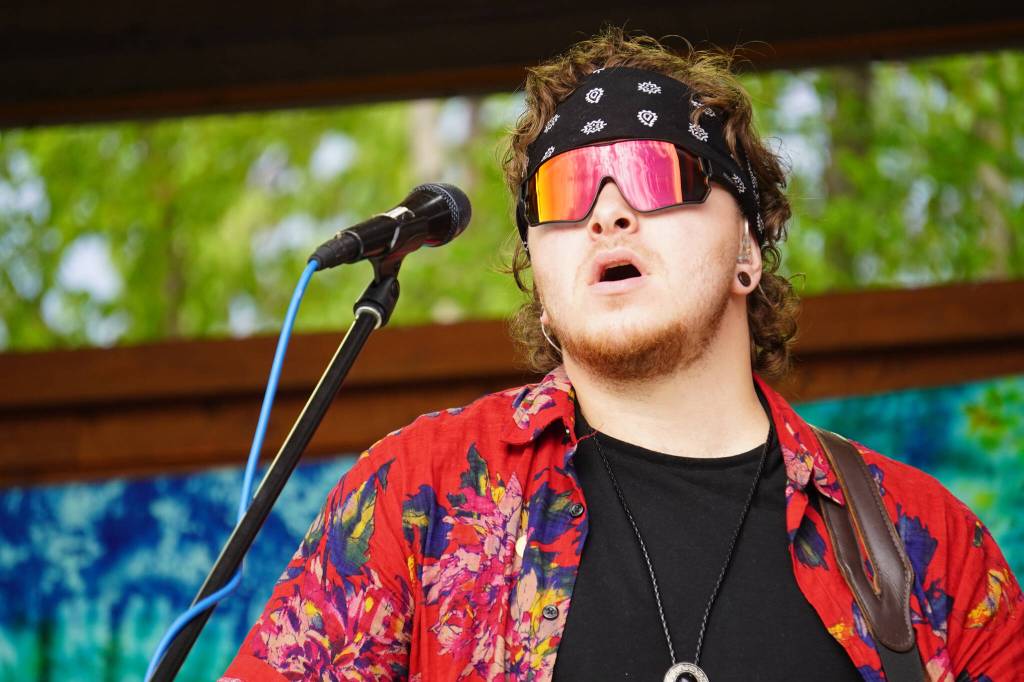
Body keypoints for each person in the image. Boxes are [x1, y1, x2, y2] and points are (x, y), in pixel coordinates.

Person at [220, 27, 1023, 681]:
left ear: (748, 246)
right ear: (539, 272)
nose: (607, 215)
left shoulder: (928, 543)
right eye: (565, 194)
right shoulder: (420, 493)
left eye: (651, 172)